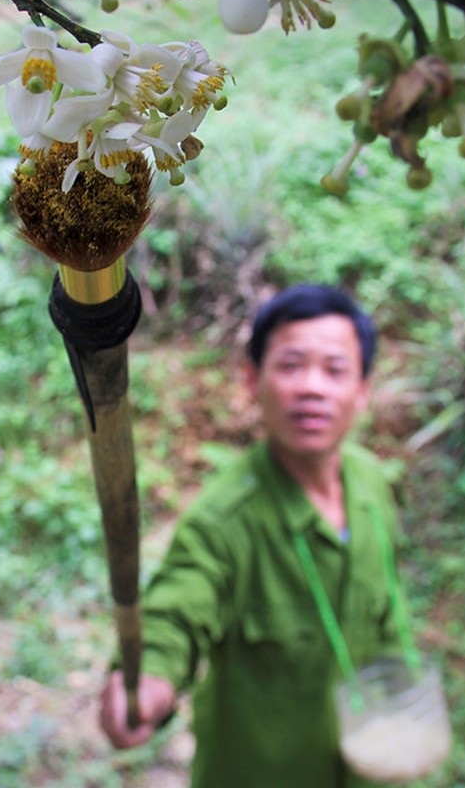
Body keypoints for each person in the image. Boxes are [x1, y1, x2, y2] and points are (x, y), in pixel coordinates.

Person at [98, 284, 405, 787]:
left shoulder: (371, 484)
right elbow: (177, 607)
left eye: (334, 369)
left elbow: (389, 609)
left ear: (363, 390)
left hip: (370, 766)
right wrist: (148, 676)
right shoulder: (225, 522)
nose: (312, 386)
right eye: (290, 365)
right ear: (251, 379)